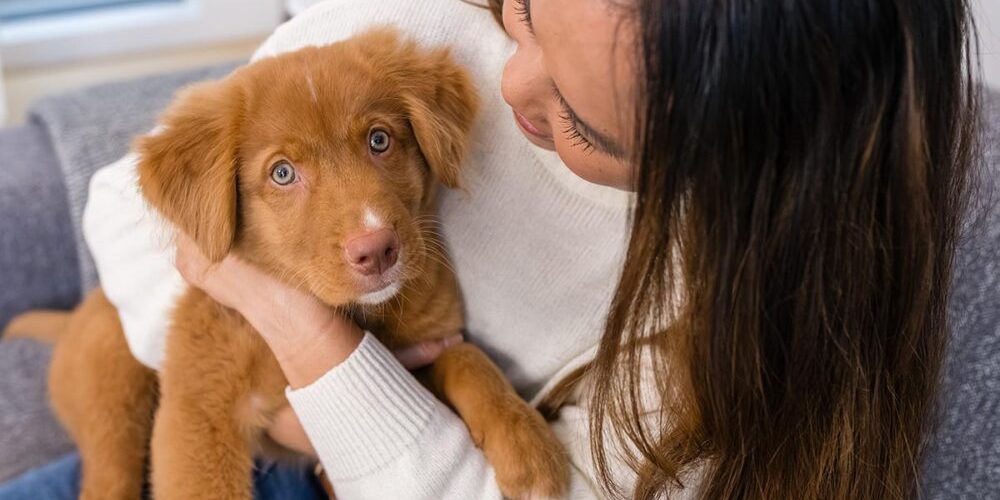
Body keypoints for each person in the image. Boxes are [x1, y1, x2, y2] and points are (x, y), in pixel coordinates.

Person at [0, 0, 980, 498]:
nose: (509, 94)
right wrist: (257, 334)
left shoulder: (737, 319)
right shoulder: (419, 31)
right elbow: (131, 207)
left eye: (583, 129)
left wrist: (323, 365)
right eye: (523, 18)